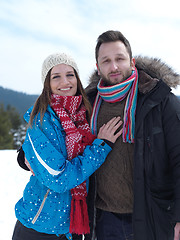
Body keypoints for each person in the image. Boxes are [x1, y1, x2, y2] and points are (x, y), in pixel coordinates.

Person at [12, 52, 123, 240]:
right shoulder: (41, 120)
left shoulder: (84, 114)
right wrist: (100, 148)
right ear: (47, 84)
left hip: (72, 229)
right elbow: (59, 179)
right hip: (38, 227)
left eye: (70, 74)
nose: (65, 82)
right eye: (56, 76)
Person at [85, 30, 180, 240]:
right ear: (98, 68)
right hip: (103, 220)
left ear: (132, 61)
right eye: (106, 61)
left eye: (119, 58)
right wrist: (24, 155)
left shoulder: (159, 100)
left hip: (151, 218)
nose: (114, 66)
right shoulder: (88, 103)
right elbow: (56, 129)